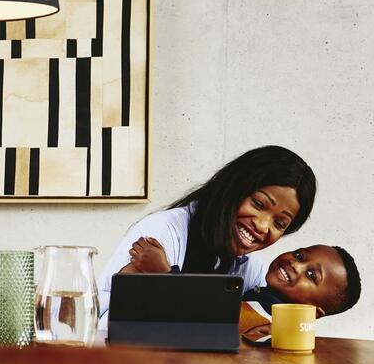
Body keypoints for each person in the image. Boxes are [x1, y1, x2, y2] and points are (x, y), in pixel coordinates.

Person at [97, 145, 317, 320]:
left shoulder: (250, 269)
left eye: (279, 223)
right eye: (259, 204)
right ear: (233, 187)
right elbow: (118, 323)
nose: (262, 226)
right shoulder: (160, 235)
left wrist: (166, 277)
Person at [239, 245, 362, 342]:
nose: (295, 264)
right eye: (299, 256)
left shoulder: (269, 319)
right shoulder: (260, 298)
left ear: (313, 312)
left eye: (311, 275)